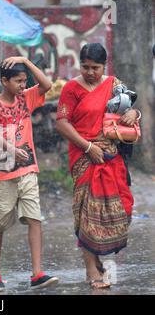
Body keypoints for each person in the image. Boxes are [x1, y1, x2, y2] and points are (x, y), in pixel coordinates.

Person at [56, 43, 141, 289]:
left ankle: (98, 260)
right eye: (85, 67)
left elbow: (129, 109)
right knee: (86, 214)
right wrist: (88, 147)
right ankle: (91, 268)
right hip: (84, 156)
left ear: (104, 66)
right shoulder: (71, 88)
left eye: (95, 67)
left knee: (118, 210)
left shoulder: (114, 85)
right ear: (79, 64)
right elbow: (62, 123)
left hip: (111, 156)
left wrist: (134, 115)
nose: (90, 72)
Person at [0, 56, 59, 291]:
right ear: (4, 81)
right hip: (1, 173)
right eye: (18, 81)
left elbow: (47, 85)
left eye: (25, 81)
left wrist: (25, 60)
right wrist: (13, 150)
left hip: (27, 169)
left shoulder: (26, 98)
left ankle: (37, 273)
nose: (23, 86)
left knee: (34, 217)